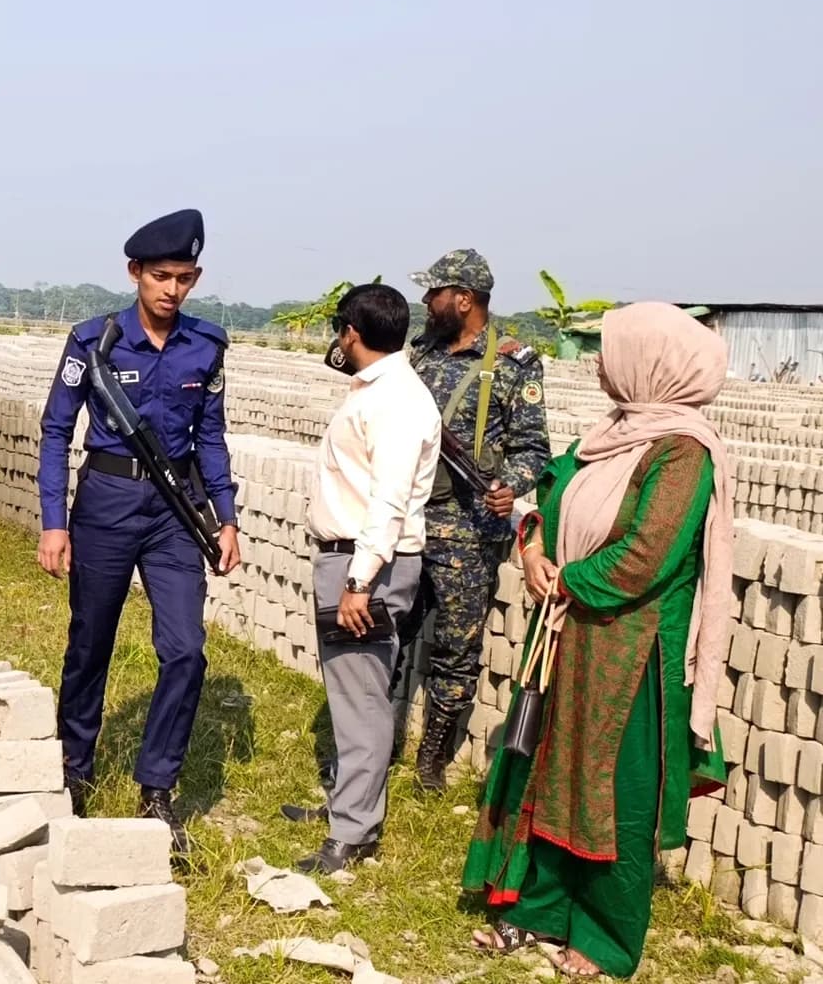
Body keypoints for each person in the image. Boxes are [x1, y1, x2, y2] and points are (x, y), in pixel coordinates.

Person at [464, 303, 733, 979]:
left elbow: (649, 555)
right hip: (569, 632)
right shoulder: (610, 433)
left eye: (609, 351)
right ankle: (536, 911)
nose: (597, 362)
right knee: (551, 770)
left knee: (617, 789)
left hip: (631, 649)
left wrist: (568, 580)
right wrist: (531, 552)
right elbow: (548, 496)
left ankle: (606, 936)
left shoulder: (683, 451)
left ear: (651, 363)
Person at [35, 207, 240, 854]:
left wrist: (226, 516)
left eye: (183, 278)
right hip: (107, 501)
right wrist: (53, 522)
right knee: (91, 641)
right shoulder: (93, 341)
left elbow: (210, 436)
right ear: (135, 274)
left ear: (196, 278)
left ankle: (157, 788)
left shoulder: (206, 346)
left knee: (186, 650)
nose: (171, 290)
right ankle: (74, 769)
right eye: (160, 276)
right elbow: (55, 430)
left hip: (177, 511)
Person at [285, 284, 441, 875]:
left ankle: (353, 833)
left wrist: (359, 581)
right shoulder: (380, 390)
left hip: (366, 565)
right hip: (354, 560)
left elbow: (390, 501)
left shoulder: (397, 400)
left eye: (339, 332)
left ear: (351, 332)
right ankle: (346, 806)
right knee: (352, 691)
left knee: (363, 696)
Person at [405, 249, 551, 791]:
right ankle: (376, 744)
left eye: (435, 292)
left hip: (467, 533)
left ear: (463, 299)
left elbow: (534, 448)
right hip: (410, 521)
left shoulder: (515, 364)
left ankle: (430, 763)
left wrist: (510, 485)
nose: (427, 301)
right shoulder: (420, 353)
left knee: (456, 648)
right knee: (388, 633)